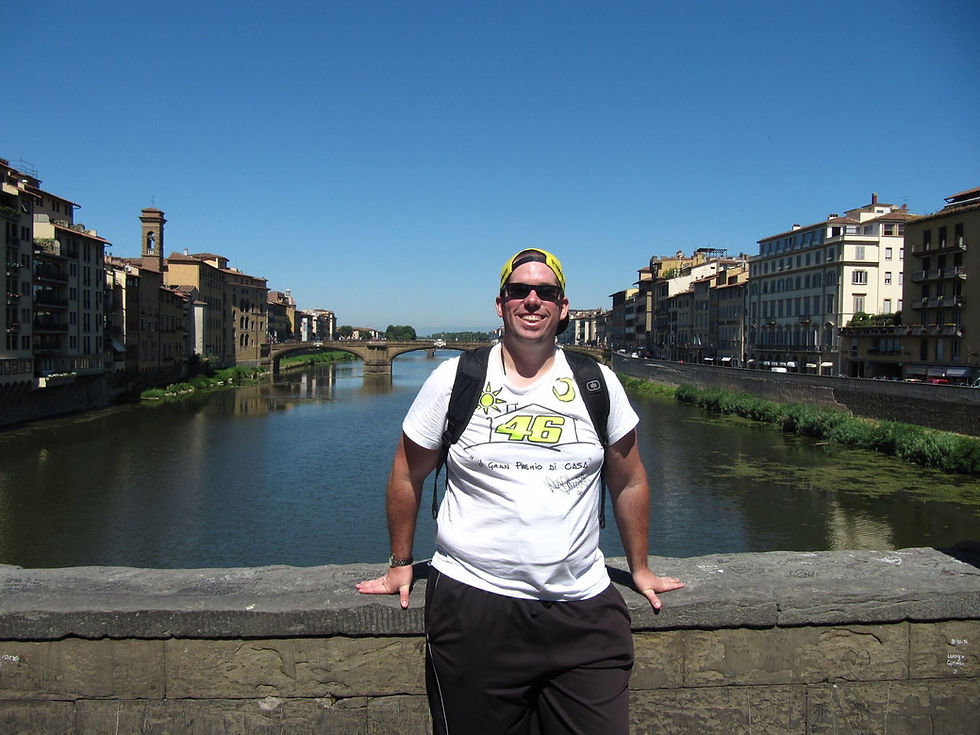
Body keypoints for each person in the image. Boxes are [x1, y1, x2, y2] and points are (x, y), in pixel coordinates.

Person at [357, 248, 683, 734]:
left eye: (545, 292)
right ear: (501, 303)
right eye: (519, 290)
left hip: (584, 610)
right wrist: (400, 563)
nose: (532, 300)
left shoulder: (598, 382)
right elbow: (406, 473)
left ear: (563, 307)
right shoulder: (455, 378)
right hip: (474, 607)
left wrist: (640, 568)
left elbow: (630, 479)